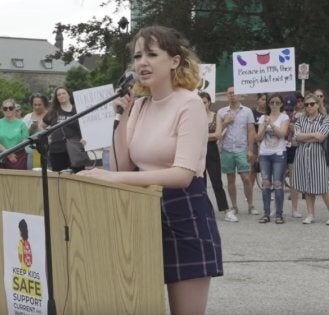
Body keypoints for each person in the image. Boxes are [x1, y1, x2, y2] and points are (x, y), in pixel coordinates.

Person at [78, 25, 222, 315]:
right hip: (140, 211)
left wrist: (112, 177)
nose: (142, 62)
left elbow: (182, 174)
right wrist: (123, 115)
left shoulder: (189, 103)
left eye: (152, 54)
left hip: (183, 212)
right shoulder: (141, 106)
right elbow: (122, 164)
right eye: (137, 55)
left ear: (174, 61)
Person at [291, 93, 329, 225]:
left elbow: (322, 137)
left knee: (323, 186)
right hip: (302, 156)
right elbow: (297, 136)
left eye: (312, 104)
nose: (309, 106)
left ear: (318, 104)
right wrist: (312, 135)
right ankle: (310, 214)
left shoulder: (325, 119)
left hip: (318, 155)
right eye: (306, 105)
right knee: (307, 187)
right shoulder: (300, 120)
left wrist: (305, 136)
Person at [217, 86, 257, 222]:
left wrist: (250, 149)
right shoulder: (222, 112)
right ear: (227, 96)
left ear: (240, 95)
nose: (232, 95)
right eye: (229, 93)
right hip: (227, 148)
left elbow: (251, 131)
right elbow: (218, 131)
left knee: (246, 178)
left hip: (242, 148)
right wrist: (225, 122)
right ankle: (234, 206)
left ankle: (251, 205)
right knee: (230, 179)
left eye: (234, 93)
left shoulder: (247, 111)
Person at [256, 94, 289, 224]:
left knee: (278, 184)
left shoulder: (284, 117)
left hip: (278, 153)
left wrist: (272, 124)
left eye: (277, 103)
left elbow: (282, 134)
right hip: (265, 153)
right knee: (265, 184)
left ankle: (279, 214)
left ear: (281, 104)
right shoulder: (263, 117)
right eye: (272, 103)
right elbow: (258, 138)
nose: (274, 105)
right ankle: (266, 213)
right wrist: (264, 126)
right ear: (268, 104)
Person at [41, 87, 85, 173]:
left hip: (75, 148)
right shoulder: (53, 111)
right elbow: (42, 125)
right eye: (59, 94)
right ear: (56, 98)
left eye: (63, 93)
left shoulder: (78, 110)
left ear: (69, 95)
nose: (61, 96)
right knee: (58, 177)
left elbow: (85, 126)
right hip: (57, 149)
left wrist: (84, 138)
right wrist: (47, 137)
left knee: (78, 174)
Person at [200, 91, 230, 215]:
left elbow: (218, 134)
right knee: (201, 183)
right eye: (200, 102)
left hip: (212, 150)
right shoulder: (193, 117)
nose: (203, 105)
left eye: (205, 102)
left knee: (217, 181)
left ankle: (225, 210)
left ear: (209, 103)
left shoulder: (215, 115)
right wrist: (208, 136)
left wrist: (201, 136)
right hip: (198, 151)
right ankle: (204, 210)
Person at [283, 92, 304, 218]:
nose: (289, 111)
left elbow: (303, 134)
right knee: (278, 179)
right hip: (281, 147)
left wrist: (294, 128)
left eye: (291, 109)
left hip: (294, 147)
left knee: (294, 180)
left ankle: (295, 209)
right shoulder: (281, 117)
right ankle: (276, 208)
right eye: (287, 109)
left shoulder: (301, 116)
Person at [0, 99, 29, 170]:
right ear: (2, 110)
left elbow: (25, 141)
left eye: (10, 108)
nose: (8, 110)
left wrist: (12, 154)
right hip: (0, 159)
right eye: (5, 108)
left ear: (14, 109)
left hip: (17, 159)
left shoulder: (22, 124)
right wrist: (8, 153)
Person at [22, 93, 48, 169]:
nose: (37, 107)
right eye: (35, 105)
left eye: (39, 105)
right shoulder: (28, 117)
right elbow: (22, 136)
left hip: (47, 151)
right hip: (31, 152)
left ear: (44, 104)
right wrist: (31, 129)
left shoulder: (50, 115)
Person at [249, 93, 268, 193]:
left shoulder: (269, 113)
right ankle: (249, 192)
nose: (264, 102)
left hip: (268, 143)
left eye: (266, 100)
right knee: (252, 169)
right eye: (262, 99)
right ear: (258, 100)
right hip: (254, 143)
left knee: (266, 169)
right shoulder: (252, 112)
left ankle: (267, 190)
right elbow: (250, 129)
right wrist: (256, 141)